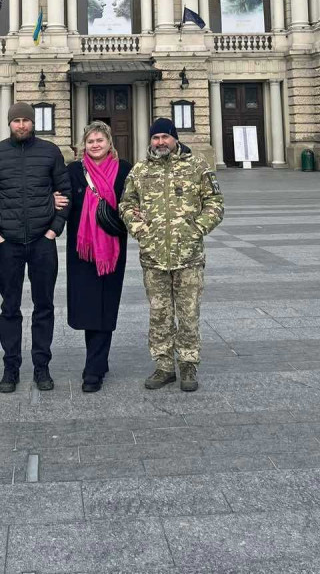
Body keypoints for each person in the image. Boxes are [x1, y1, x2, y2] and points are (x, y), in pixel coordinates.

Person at [120, 117, 224, 392]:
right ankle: (164, 366)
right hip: (153, 258)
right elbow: (126, 204)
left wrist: (197, 229)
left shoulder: (197, 166)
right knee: (159, 314)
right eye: (156, 138)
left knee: (188, 314)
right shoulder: (140, 170)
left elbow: (215, 202)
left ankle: (188, 365)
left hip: (189, 257)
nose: (160, 142)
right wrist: (140, 230)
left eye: (165, 137)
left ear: (175, 138)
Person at [0, 103, 71, 393]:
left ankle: (41, 367)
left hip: (41, 241)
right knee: (9, 307)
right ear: (9, 123)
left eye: (26, 120)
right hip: (8, 243)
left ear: (33, 123)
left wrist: (53, 230)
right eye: (16, 120)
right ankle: (10, 368)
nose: (21, 125)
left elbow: (65, 193)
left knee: (43, 306)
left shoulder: (50, 152)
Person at [64, 121, 131, 393]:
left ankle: (93, 369)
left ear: (109, 142)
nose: (95, 145)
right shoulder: (73, 171)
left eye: (99, 140)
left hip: (112, 248)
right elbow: (61, 199)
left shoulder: (124, 169)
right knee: (89, 307)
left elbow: (134, 202)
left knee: (106, 306)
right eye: (90, 141)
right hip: (82, 250)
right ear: (84, 144)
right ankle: (97, 362)